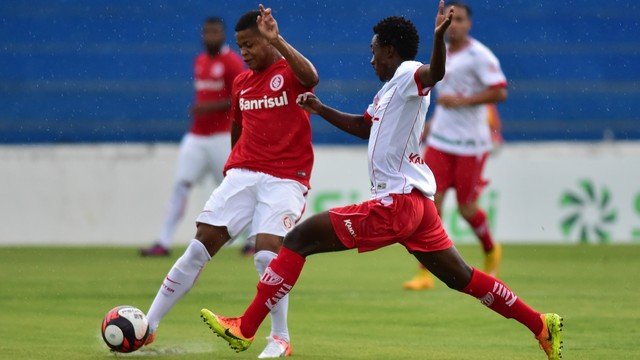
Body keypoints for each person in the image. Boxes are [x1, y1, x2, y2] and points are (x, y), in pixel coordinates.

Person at [200, 2, 563, 359]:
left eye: (374, 52)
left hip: (398, 202)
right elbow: (363, 126)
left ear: (389, 51)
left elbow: (433, 74)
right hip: (418, 206)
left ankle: (246, 327)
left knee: (298, 239)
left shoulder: (407, 73)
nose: (371, 59)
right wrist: (320, 108)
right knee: (462, 277)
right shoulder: (388, 89)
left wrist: (438, 39)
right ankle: (540, 325)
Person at [144, 5, 319, 358]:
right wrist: (232, 167)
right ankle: (148, 325)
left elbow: (312, 77)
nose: (245, 53)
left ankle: (280, 338)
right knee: (198, 247)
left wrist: (279, 40)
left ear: (267, 41)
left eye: (250, 45)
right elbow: (237, 127)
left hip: (285, 178)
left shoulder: (288, 72)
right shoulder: (241, 82)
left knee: (266, 256)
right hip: (243, 172)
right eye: (240, 47)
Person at [403, 1, 508, 290]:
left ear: (469, 23)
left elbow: (500, 92)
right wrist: (431, 125)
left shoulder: (479, 55)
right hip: (440, 142)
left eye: (459, 19)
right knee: (429, 207)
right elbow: (446, 95)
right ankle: (425, 272)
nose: (455, 23)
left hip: (470, 145)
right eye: (451, 18)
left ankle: (490, 249)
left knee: (466, 209)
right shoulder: (442, 52)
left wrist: (463, 102)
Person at [140, 17, 245, 257]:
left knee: (235, 187)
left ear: (223, 34)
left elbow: (239, 97)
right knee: (181, 184)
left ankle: (250, 241)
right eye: (207, 32)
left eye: (215, 32)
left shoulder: (232, 62)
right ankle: (163, 241)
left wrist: (210, 108)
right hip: (197, 136)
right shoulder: (200, 61)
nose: (210, 36)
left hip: (222, 136)